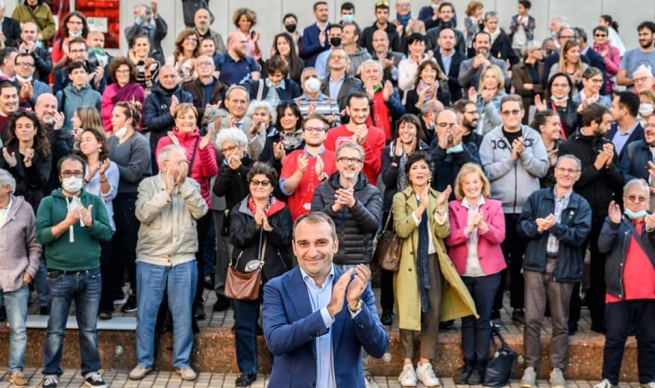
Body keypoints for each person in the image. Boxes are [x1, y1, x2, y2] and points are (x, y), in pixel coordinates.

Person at [262, 211, 389, 386]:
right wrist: (328, 312)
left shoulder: (357, 286)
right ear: (294, 248)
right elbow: (276, 342)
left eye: (321, 242)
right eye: (304, 243)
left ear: (335, 245)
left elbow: (379, 348)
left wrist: (355, 306)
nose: (312, 252)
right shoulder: (276, 288)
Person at [393, 151, 476, 387]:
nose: (420, 171)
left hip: (432, 261)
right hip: (408, 264)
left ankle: (424, 364)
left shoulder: (439, 196)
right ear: (408, 173)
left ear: (431, 173)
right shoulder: (401, 198)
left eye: (424, 167)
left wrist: (439, 209)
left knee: (432, 314)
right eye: (415, 168)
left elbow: (443, 233)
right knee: (408, 313)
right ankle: (407, 365)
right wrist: (420, 208)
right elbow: (401, 229)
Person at [128, 144, 208, 382]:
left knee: (183, 314)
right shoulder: (147, 185)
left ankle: (182, 362)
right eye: (180, 161)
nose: (184, 165)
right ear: (164, 165)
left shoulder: (191, 185)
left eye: (185, 161)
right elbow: (142, 213)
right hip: (151, 259)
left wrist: (182, 188)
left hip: (183, 259)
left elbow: (201, 211)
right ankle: (143, 362)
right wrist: (166, 193)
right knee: (146, 313)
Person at [35, 154, 113, 388]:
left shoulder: (94, 201)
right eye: (67, 173)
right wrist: (65, 224)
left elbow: (107, 234)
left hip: (90, 274)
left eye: (77, 173)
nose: (72, 177)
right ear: (59, 177)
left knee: (89, 328)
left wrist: (90, 223)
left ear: (84, 176)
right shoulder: (49, 203)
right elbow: (42, 236)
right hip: (59, 275)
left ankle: (91, 371)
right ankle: (51, 372)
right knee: (55, 329)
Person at [311, 141, 382, 387]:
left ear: (361, 165)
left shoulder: (371, 191)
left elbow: (373, 225)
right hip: (324, 267)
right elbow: (314, 222)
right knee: (325, 317)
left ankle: (362, 373)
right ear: (337, 162)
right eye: (344, 159)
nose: (349, 163)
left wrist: (353, 203)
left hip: (355, 265)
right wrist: (335, 206)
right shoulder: (323, 189)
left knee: (359, 319)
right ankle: (323, 372)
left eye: (355, 159)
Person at [517, 155, 592, 388]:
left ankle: (557, 369)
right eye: (562, 169)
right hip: (536, 265)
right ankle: (530, 367)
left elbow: (580, 235)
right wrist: (537, 227)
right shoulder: (538, 197)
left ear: (578, 176)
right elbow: (522, 226)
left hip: (564, 267)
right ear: (555, 171)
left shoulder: (581, 204)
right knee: (532, 319)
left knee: (561, 321)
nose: (566, 173)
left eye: (572, 170)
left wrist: (556, 227)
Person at [479, 94, 549, 323]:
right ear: (500, 114)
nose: (511, 116)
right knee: (498, 261)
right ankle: (495, 308)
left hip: (527, 211)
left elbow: (543, 169)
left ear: (521, 112)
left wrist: (525, 155)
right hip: (499, 210)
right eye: (506, 112)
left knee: (522, 261)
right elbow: (485, 172)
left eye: (515, 111)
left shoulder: (533, 136)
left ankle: (519, 307)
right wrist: (510, 159)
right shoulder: (490, 138)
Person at [557, 103, 623, 334]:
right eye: (606, 123)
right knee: (574, 267)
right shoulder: (568, 146)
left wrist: (608, 166)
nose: (609, 126)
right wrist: (595, 166)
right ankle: (571, 318)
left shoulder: (608, 145)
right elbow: (573, 180)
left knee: (601, 269)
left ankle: (598, 318)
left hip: (604, 215)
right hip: (577, 216)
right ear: (593, 123)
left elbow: (619, 180)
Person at [229, 163, 292, 387]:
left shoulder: (282, 209)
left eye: (265, 183)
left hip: (275, 277)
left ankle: (280, 369)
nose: (260, 186)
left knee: (275, 325)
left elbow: (287, 239)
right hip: (245, 275)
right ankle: (247, 370)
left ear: (273, 186)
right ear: (249, 184)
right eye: (255, 182)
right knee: (245, 325)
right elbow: (236, 239)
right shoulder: (240, 209)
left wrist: (269, 229)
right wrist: (254, 226)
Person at [155, 103, 217, 319]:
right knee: (174, 252)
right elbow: (163, 171)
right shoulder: (165, 141)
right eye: (183, 118)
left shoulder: (203, 142)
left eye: (191, 118)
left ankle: (197, 300)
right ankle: (173, 301)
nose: (188, 122)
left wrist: (203, 151)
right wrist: (176, 151)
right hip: (173, 206)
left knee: (197, 255)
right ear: (176, 120)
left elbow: (211, 171)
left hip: (200, 206)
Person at [446, 163, 506, 385]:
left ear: (483, 183)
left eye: (475, 181)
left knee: (483, 319)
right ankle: (468, 363)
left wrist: (483, 226)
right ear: (461, 186)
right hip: (462, 272)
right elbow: (450, 238)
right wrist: (468, 229)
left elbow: (499, 237)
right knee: (467, 320)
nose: (472, 186)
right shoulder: (454, 207)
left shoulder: (494, 206)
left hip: (488, 274)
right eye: (467, 182)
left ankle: (481, 365)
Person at [594, 179, 655, 388]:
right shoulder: (614, 220)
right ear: (623, 199)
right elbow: (602, 247)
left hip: (649, 295)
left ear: (648, 201)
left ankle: (648, 380)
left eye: (641, 198)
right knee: (614, 340)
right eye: (632, 197)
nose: (636, 202)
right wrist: (613, 224)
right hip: (618, 293)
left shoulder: (653, 222)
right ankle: (609, 379)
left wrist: (653, 231)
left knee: (648, 341)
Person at [379, 114, 430, 326]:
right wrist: (396, 159)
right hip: (393, 210)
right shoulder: (389, 150)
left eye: (411, 128)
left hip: (419, 208)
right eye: (402, 128)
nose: (406, 132)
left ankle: (418, 306)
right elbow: (387, 180)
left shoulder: (425, 151)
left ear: (417, 130)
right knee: (390, 258)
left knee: (419, 257)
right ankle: (387, 309)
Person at [107, 101, 152, 314]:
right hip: (113, 198)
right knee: (114, 246)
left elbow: (134, 173)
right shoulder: (112, 140)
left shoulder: (139, 142)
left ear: (129, 119)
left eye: (117, 115)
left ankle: (136, 292)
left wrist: (111, 166)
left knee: (130, 247)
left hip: (131, 198)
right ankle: (116, 289)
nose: (112, 119)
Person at [0, 168, 41, 387]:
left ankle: (15, 370)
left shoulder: (23, 209)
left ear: (7, 188)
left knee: (17, 328)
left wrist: (30, 271)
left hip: (16, 276)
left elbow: (35, 244)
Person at [77, 127, 119, 320]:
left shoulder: (111, 167)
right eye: (82, 140)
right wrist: (88, 176)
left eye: (88, 139)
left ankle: (106, 305)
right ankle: (84, 306)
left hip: (103, 222)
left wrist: (101, 175)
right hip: (78, 222)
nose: (83, 143)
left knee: (105, 264)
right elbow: (72, 192)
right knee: (82, 264)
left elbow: (109, 194)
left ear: (100, 143)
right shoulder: (77, 165)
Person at [280, 114, 337, 222]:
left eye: (319, 129)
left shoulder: (335, 158)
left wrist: (323, 177)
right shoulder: (291, 157)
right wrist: (300, 172)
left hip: (326, 220)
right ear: (303, 134)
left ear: (326, 134)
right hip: (296, 219)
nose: (314, 132)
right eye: (309, 129)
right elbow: (285, 189)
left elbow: (338, 191)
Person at [324, 92, 385, 186]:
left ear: (369, 109)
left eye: (364, 110)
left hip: (366, 192)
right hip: (337, 190)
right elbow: (329, 166)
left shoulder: (378, 134)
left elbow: (376, 169)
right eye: (356, 110)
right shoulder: (332, 134)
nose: (361, 114)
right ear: (348, 110)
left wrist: (364, 144)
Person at [143, 65, 193, 171]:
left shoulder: (186, 96)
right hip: (160, 149)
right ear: (159, 79)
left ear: (177, 77)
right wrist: (170, 114)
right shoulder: (151, 98)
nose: (169, 79)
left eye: (172, 76)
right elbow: (150, 123)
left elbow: (190, 123)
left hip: (184, 147)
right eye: (165, 76)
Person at [0, 110, 52, 212]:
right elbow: (3, 183)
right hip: (11, 204)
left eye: (28, 126)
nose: (24, 130)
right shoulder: (6, 152)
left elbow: (41, 183)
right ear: (15, 131)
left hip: (36, 204)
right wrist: (12, 166)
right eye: (20, 126)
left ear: (35, 130)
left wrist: (30, 166)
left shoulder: (44, 153)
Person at [358, 59, 405, 141]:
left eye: (375, 71)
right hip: (365, 139)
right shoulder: (355, 92)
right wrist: (368, 98)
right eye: (368, 72)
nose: (372, 74)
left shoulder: (391, 90)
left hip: (389, 139)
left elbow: (402, 115)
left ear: (382, 75)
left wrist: (389, 99)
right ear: (362, 76)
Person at [101, 58, 145, 134]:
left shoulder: (138, 90)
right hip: (112, 132)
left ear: (130, 73)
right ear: (115, 73)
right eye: (118, 71)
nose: (122, 74)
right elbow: (105, 115)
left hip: (131, 131)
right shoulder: (109, 90)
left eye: (125, 71)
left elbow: (139, 114)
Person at [55, 61, 101, 132]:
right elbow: (57, 118)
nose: (79, 75)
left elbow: (99, 120)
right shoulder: (61, 94)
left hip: (89, 135)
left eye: (82, 72)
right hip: (67, 137)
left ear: (87, 74)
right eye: (76, 73)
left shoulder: (96, 96)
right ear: (70, 76)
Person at [260, 101, 305, 173]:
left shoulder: (306, 140)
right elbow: (262, 167)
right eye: (282, 116)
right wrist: (276, 159)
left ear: (297, 117)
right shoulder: (272, 140)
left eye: (290, 115)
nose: (286, 118)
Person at [181, 55, 227, 125]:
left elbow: (228, 110)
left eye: (208, 63)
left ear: (214, 68)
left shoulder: (224, 88)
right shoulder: (186, 87)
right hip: (193, 126)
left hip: (217, 125)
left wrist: (216, 111)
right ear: (196, 69)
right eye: (200, 64)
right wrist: (205, 111)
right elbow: (184, 109)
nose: (204, 66)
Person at [537, 72, 580, 139]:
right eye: (556, 85)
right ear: (550, 88)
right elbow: (536, 132)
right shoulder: (544, 107)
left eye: (564, 85)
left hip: (572, 147)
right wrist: (543, 114)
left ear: (569, 88)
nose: (560, 88)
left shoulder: (577, 107)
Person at [320, 48, 363, 112]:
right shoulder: (320, 84)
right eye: (333, 57)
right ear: (329, 62)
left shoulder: (356, 84)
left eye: (340, 57)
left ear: (347, 62)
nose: (336, 59)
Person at [512, 41, 545, 125]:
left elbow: (546, 87)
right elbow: (520, 89)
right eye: (539, 49)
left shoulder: (543, 67)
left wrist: (532, 86)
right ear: (530, 52)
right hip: (526, 105)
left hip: (542, 104)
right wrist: (539, 88)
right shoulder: (517, 68)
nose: (542, 52)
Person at [617, 21, 655, 91]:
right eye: (640, 35)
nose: (641, 37)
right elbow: (619, 80)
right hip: (632, 99)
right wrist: (639, 80)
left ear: (654, 35)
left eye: (645, 34)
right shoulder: (628, 54)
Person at [605, 91, 644, 158]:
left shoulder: (643, 137)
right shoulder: (607, 129)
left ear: (623, 111)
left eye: (613, 107)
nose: (610, 109)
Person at [530, 110, 562, 189]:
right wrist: (547, 163)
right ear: (542, 128)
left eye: (559, 124)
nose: (558, 128)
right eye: (554, 124)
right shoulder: (530, 148)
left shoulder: (563, 147)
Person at [434, 28, 467, 104]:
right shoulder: (433, 57)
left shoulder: (462, 58)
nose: (448, 40)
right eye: (445, 37)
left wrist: (446, 78)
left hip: (456, 98)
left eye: (451, 37)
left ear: (455, 41)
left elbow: (462, 81)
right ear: (439, 41)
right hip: (436, 97)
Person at [591, 26, 621, 96]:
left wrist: (604, 58)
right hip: (592, 89)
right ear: (594, 37)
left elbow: (616, 70)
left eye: (603, 35)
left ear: (607, 37)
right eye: (597, 35)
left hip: (609, 90)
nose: (600, 37)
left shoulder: (614, 50)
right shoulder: (590, 51)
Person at [300, 2, 331, 68]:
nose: (324, 13)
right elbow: (305, 51)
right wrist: (319, 44)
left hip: (331, 67)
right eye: (321, 10)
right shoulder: (308, 30)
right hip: (313, 67)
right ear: (314, 13)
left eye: (326, 10)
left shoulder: (334, 28)